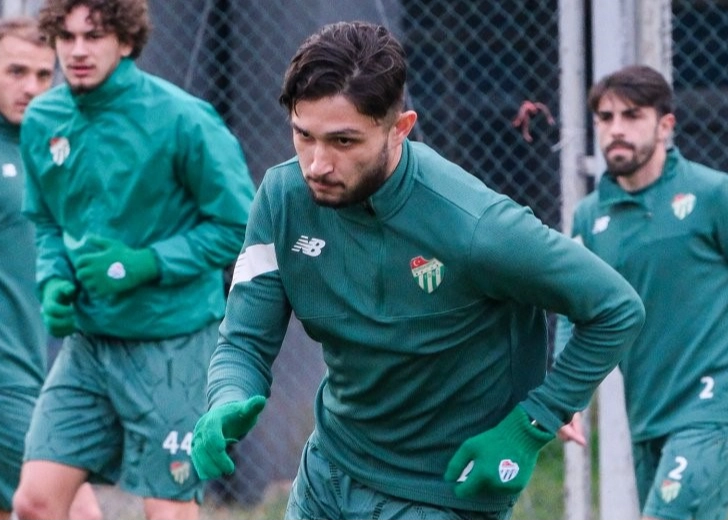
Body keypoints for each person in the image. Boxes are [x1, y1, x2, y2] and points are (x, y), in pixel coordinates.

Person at [190, 20, 645, 520]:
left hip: (441, 493)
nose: (317, 164)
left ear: (400, 128)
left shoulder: (477, 226)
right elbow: (244, 340)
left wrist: (532, 424)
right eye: (303, 135)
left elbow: (616, 308)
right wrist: (225, 398)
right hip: (329, 473)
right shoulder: (282, 198)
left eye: (344, 142)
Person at [11, 1, 256, 519]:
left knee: (167, 511)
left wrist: (146, 263)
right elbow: (47, 221)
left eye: (94, 36)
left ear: (125, 41)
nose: (78, 50)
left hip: (173, 342)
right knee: (34, 503)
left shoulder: (184, 119)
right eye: (67, 37)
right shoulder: (43, 120)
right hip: (90, 345)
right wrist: (54, 280)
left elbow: (241, 227)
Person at [554, 64, 728, 520]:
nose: (616, 129)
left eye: (632, 115)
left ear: (665, 125)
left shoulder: (715, 195)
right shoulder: (590, 217)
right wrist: (562, 397)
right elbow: (571, 309)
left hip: (714, 405)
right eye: (605, 117)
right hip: (648, 416)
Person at [0, 15, 104, 521]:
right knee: (76, 512)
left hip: (39, 369)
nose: (31, 87)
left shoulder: (47, 151)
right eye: (15, 72)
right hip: (8, 384)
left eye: (44, 75)